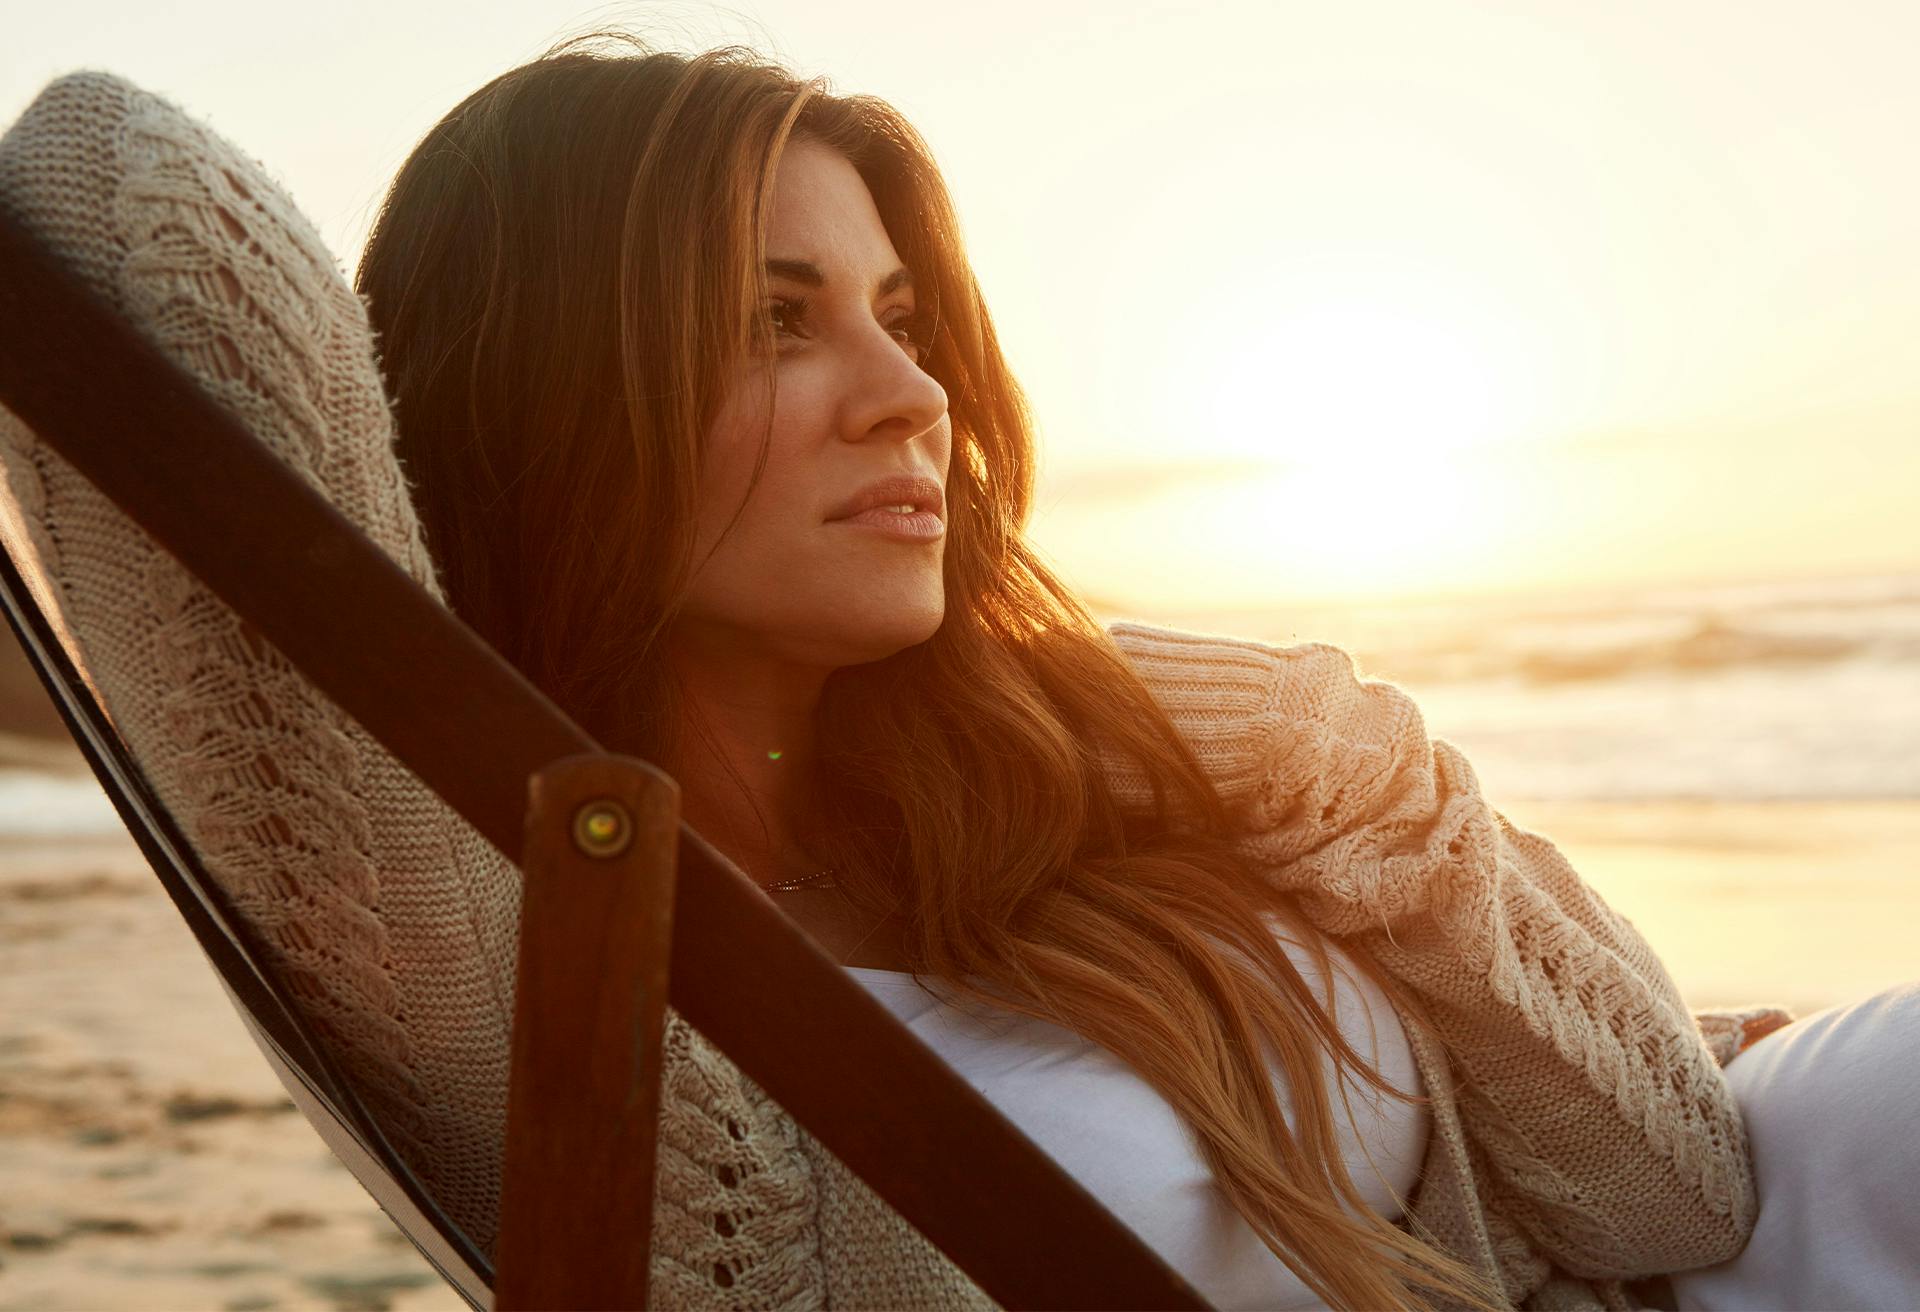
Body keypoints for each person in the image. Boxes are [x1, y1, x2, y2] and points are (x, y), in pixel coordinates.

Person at [352, 30, 1914, 1311]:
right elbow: (129, 210)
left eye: (904, 317)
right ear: (540, 402)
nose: (912, 396)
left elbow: (1672, 1187)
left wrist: (1304, 744)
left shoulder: (1063, 785)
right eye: (775, 321)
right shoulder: (573, 980)